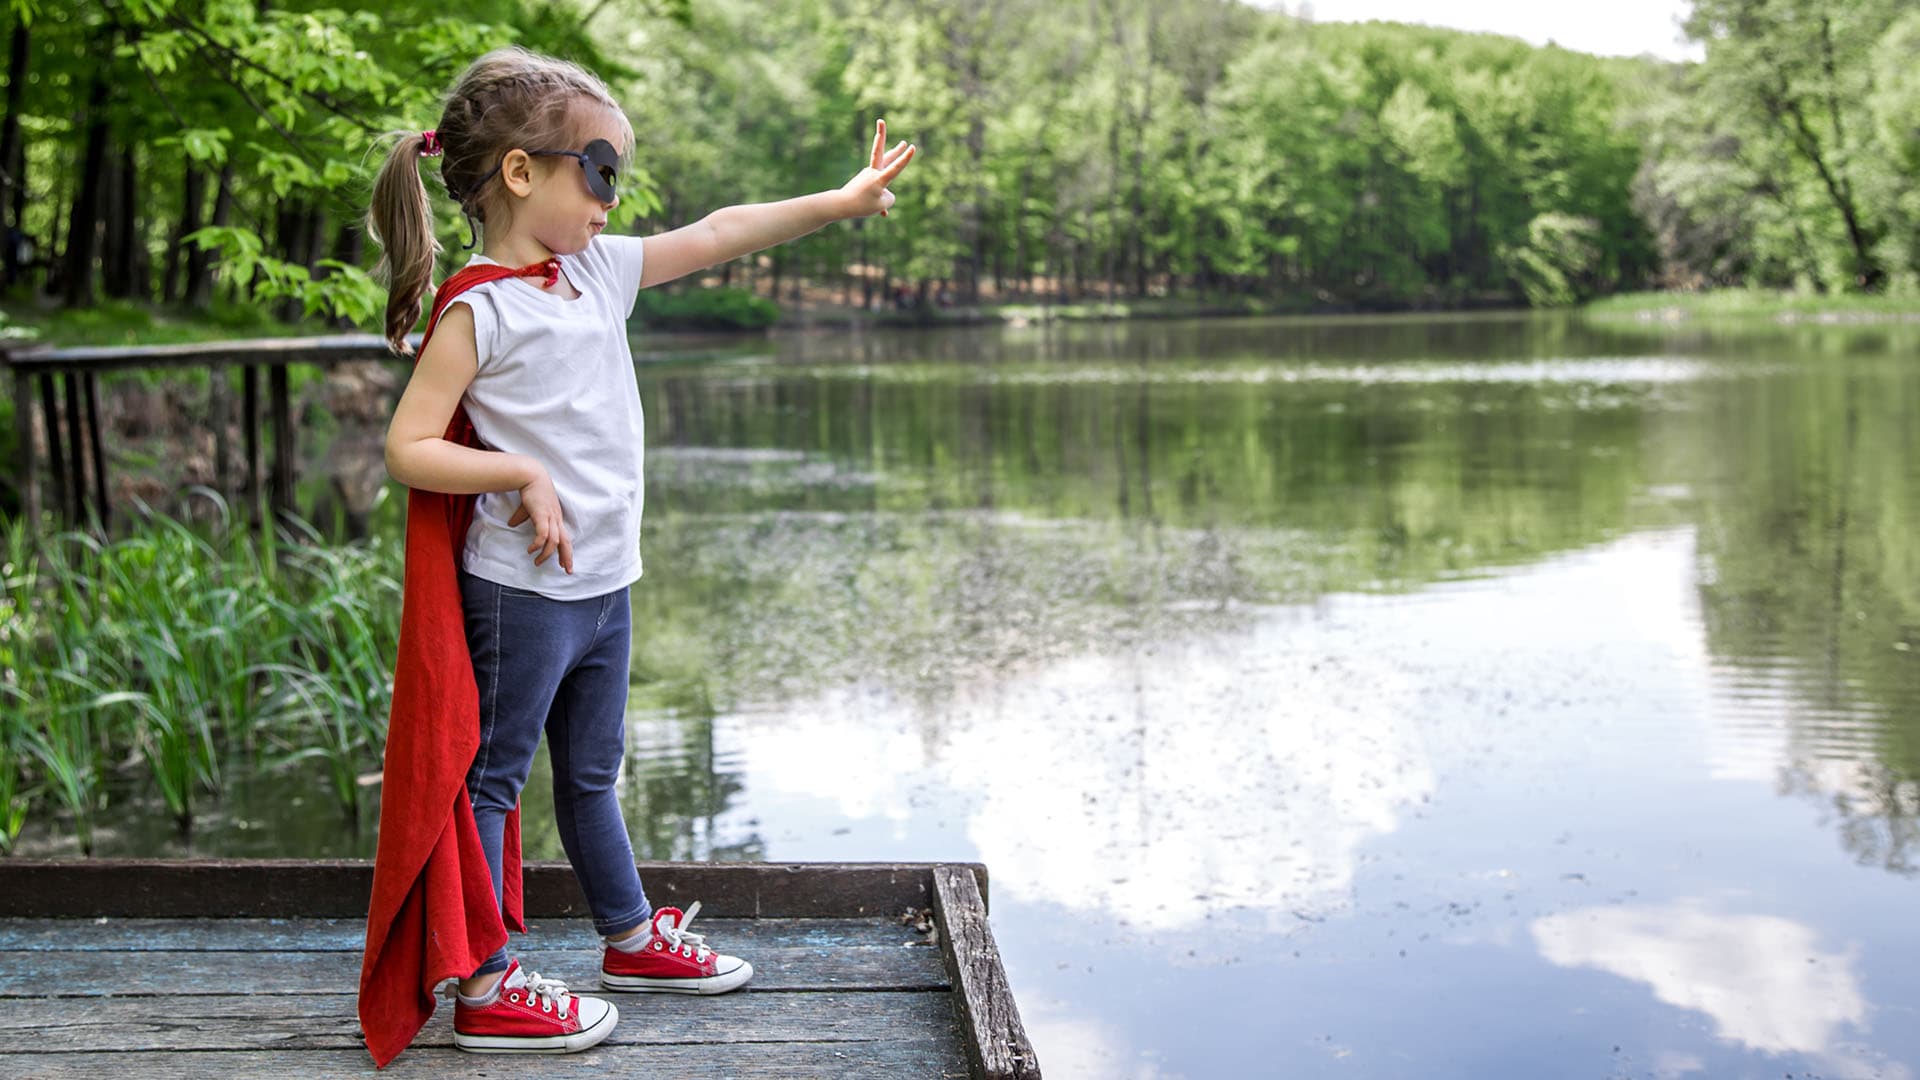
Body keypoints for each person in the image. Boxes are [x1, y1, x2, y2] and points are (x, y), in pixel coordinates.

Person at [356, 45, 914, 1062]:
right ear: (522, 173)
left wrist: (835, 204)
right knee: (492, 782)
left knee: (595, 776)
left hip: (609, 586)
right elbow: (410, 447)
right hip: (522, 591)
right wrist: (518, 473)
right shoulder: (484, 306)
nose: (615, 199)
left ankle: (629, 938)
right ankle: (484, 987)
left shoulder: (595, 273)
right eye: (600, 171)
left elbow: (716, 232)